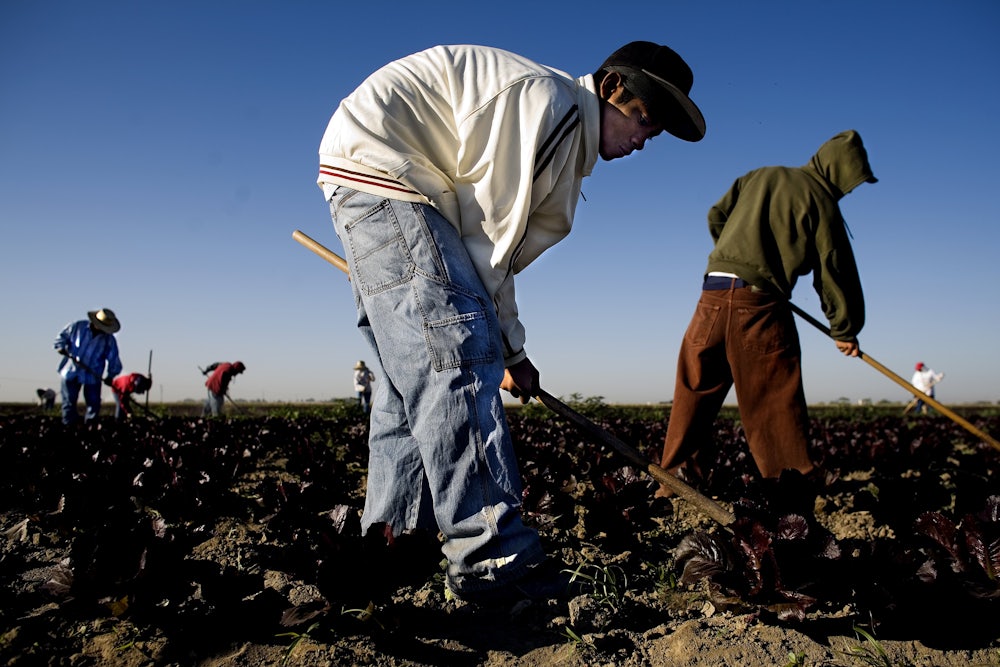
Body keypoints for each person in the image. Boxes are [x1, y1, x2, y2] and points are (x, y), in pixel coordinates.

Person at [317, 41, 706, 604]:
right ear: (614, 88)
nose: (645, 140)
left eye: (657, 133)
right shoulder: (550, 106)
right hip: (390, 176)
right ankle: (493, 560)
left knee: (407, 385)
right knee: (456, 359)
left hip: (372, 178)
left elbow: (490, 256)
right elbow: (488, 249)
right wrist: (504, 351)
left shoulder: (563, 136)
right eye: (644, 120)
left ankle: (393, 544)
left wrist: (510, 351)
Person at [656, 130, 877, 497]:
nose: (849, 192)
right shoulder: (821, 199)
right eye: (851, 184)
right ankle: (791, 491)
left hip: (711, 295)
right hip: (758, 307)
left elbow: (717, 216)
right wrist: (845, 329)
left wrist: (738, 257)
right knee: (774, 397)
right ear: (839, 172)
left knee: (695, 388)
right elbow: (835, 272)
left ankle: (676, 480)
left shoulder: (760, 175)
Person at [53, 308, 123, 425]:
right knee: (69, 403)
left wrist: (110, 376)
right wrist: (61, 347)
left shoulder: (109, 340)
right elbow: (61, 339)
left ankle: (90, 428)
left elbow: (114, 360)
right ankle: (69, 427)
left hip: (93, 376)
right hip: (71, 371)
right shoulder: (77, 327)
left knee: (93, 404)